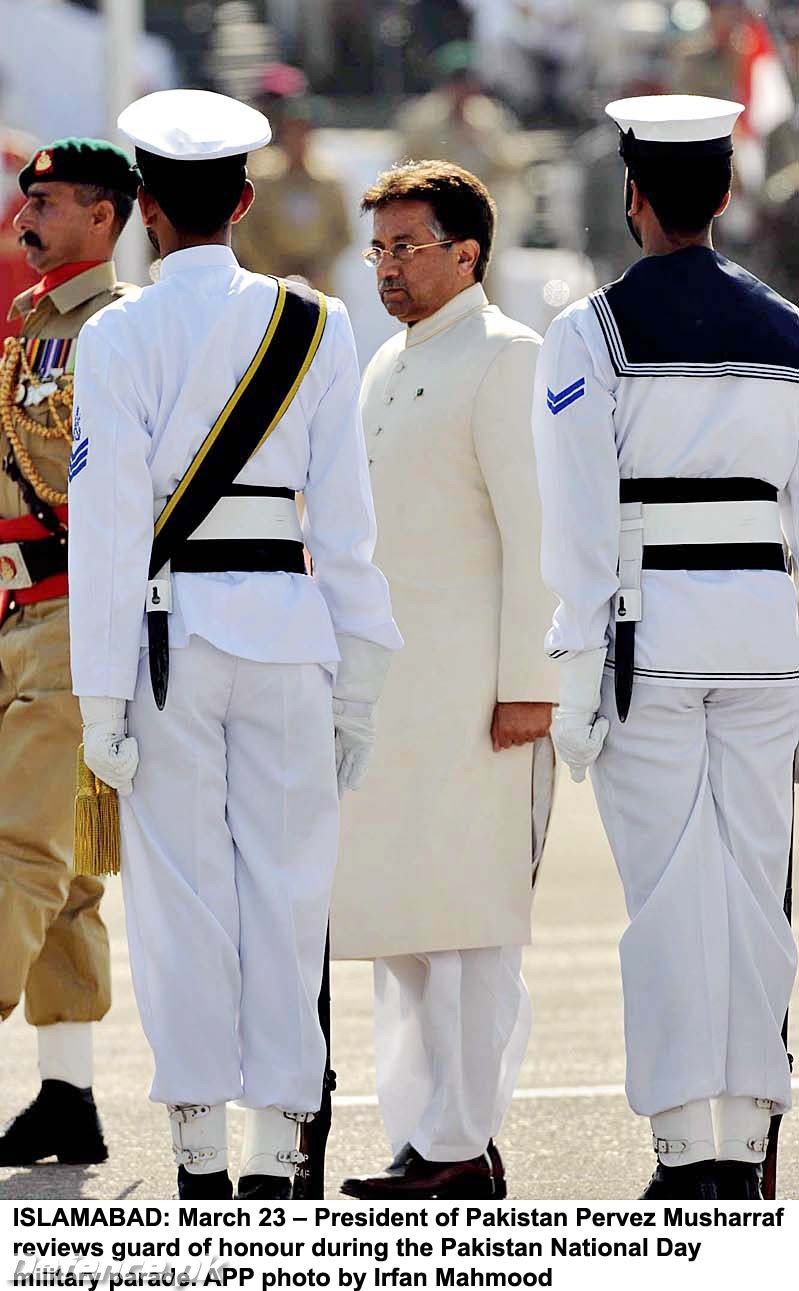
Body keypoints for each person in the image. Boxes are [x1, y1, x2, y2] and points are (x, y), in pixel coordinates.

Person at [67, 88, 401, 1202]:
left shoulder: (117, 333)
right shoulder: (319, 323)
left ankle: (200, 1149)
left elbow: (112, 528)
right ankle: (277, 1146)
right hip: (290, 629)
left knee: (182, 897)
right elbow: (347, 527)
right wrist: (360, 681)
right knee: (291, 888)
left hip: (169, 638)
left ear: (144, 212)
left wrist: (100, 697)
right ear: (245, 202)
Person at [532, 94, 799, 1201]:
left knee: (670, 900)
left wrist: (573, 667)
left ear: (632, 194)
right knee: (746, 887)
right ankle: (742, 1135)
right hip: (765, 641)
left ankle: (689, 1144)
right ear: (726, 195)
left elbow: (579, 522)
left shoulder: (585, 331)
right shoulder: (788, 330)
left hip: (649, 639)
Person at [332, 160, 558, 1200]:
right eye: (377, 246)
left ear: (467, 252)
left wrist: (527, 685)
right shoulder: (386, 364)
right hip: (388, 701)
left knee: (470, 932)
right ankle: (427, 1136)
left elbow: (537, 535)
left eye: (406, 245)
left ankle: (463, 1142)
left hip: (476, 699)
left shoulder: (507, 357)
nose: (386, 265)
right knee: (401, 930)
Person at [0, 138, 139, 1167]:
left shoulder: (116, 330)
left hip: (72, 622)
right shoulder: (30, 325)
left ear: (105, 215)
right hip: (21, 619)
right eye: (24, 197)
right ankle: (67, 1093)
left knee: (20, 854)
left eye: (44, 199)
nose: (24, 213)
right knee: (70, 878)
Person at [234, 95, 351, 295]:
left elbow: (343, 234)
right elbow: (246, 232)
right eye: (293, 130)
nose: (298, 138)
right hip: (270, 282)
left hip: (317, 285)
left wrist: (318, 269)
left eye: (304, 130)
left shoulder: (328, 181)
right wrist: (273, 270)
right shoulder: (262, 179)